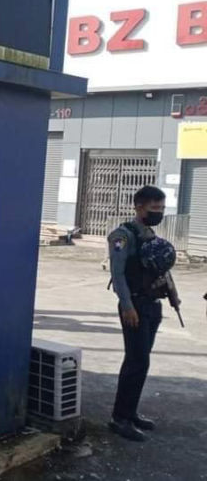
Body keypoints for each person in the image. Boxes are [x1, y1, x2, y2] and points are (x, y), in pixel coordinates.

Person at [107, 186, 182, 442]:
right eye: (154, 209)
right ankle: (120, 418)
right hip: (135, 306)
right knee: (136, 361)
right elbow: (117, 275)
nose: (158, 213)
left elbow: (160, 268)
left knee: (142, 361)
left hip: (152, 304)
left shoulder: (149, 234)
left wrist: (172, 293)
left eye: (161, 209)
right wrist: (127, 306)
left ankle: (131, 412)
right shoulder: (122, 236)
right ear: (139, 207)